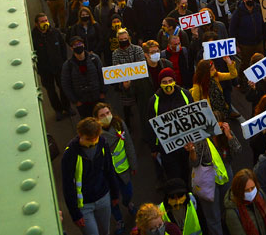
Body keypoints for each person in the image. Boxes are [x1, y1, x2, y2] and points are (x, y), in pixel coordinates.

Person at [61, 117, 121, 235]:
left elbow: (109, 170)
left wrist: (114, 194)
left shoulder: (102, 143)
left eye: (95, 138)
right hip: (84, 205)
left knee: (105, 231)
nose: (93, 142)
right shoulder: (70, 154)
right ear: (80, 134)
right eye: (89, 139)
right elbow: (67, 186)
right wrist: (75, 214)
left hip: (103, 197)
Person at [186, 121, 240, 235]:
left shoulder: (226, 134)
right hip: (207, 178)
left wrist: (229, 136)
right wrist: (192, 151)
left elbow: (238, 151)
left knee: (230, 206)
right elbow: (194, 163)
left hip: (226, 173)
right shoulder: (201, 139)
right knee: (213, 215)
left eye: (220, 125)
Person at [95, 103, 137, 234]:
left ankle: (128, 203)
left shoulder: (119, 124)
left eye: (107, 113)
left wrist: (133, 164)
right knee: (112, 199)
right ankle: (119, 220)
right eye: (102, 115)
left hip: (123, 169)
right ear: (96, 118)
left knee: (128, 192)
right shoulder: (95, 132)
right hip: (107, 174)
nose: (106, 116)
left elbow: (128, 144)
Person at [147, 68, 193, 181]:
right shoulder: (154, 101)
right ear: (160, 84)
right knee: (173, 175)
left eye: (170, 80)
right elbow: (150, 126)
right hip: (167, 147)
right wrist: (154, 148)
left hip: (186, 144)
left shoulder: (186, 94)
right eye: (164, 82)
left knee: (186, 172)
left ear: (175, 81)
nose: (168, 84)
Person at [31, 12, 72, 120]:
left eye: (46, 20)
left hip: (59, 66)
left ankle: (67, 108)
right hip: (45, 70)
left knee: (63, 87)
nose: (45, 23)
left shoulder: (55, 32)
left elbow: (63, 47)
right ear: (36, 24)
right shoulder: (33, 37)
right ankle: (58, 110)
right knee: (51, 91)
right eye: (42, 21)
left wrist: (64, 62)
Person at [110, 28, 146, 131]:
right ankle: (128, 125)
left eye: (125, 38)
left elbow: (141, 66)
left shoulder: (137, 49)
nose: (123, 41)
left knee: (142, 107)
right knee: (126, 107)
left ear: (129, 38)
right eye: (121, 39)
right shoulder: (115, 53)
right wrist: (125, 81)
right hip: (125, 84)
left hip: (139, 82)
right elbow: (117, 69)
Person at [62, 36, 107, 119]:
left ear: (83, 44)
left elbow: (102, 75)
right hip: (82, 101)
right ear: (71, 48)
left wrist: (103, 92)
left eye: (79, 44)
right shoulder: (68, 65)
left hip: (97, 97)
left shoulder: (94, 58)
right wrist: (75, 101)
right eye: (75, 45)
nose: (78, 46)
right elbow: (66, 85)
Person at [223, 169, 266, 235]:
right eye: (246, 190)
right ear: (239, 191)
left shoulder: (260, 195)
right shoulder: (232, 211)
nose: (250, 192)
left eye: (252, 188)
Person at [231, 0, 266, 77]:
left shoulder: (258, 8)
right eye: (249, 0)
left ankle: (261, 81)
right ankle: (242, 82)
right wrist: (235, 45)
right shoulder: (238, 13)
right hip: (245, 44)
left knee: (261, 61)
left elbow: (264, 24)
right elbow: (232, 30)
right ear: (244, 0)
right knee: (245, 64)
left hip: (258, 42)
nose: (251, 1)